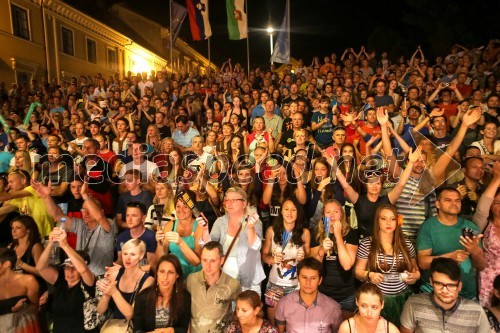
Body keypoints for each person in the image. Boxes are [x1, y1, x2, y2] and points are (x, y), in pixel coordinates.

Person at [32, 180, 117, 277]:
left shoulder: (109, 224)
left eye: (90, 210)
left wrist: (85, 195)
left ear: (101, 211)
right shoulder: (81, 224)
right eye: (83, 210)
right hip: (80, 275)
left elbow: (99, 217)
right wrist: (46, 197)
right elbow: (57, 216)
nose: (86, 213)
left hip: (101, 277)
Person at [355, 204, 420, 327]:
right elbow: (358, 271)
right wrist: (369, 275)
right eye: (383, 218)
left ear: (397, 221)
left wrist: (414, 276)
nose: (388, 223)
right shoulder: (367, 243)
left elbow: (416, 270)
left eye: (392, 219)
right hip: (376, 300)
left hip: (402, 297)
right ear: (377, 221)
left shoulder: (406, 244)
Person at [417, 186, 486, 300]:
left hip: (466, 293)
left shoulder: (470, 227)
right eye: (448, 200)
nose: (454, 203)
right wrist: (449, 257)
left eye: (457, 200)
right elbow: (423, 262)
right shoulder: (428, 227)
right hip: (435, 293)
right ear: (438, 204)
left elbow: (481, 266)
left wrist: (475, 252)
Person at [400, 257, 490, 333]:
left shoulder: (476, 312)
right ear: (431, 282)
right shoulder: (414, 304)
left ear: (459, 286)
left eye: (451, 285)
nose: (444, 290)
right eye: (439, 284)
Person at [36, 228, 97, 332]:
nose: (70, 271)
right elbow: (40, 267)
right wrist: (51, 243)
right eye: (67, 267)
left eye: (74, 268)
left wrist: (64, 245)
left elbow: (83, 269)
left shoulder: (88, 282)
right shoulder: (60, 280)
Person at [206, 187, 265, 294]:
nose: (229, 203)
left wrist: (250, 228)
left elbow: (255, 247)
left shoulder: (254, 221)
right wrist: (204, 230)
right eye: (227, 200)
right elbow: (210, 247)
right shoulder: (220, 222)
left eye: (234, 200)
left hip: (249, 281)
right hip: (226, 280)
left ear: (244, 203)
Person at [261, 198, 311, 324]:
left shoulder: (304, 233)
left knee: (293, 325)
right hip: (274, 284)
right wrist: (272, 259)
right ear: (281, 212)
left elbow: (309, 261)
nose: (290, 213)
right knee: (274, 325)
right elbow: (264, 255)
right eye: (286, 209)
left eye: (293, 210)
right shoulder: (271, 231)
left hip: (296, 286)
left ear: (298, 213)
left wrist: (303, 257)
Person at [311, 199, 359, 313]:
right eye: (328, 212)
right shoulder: (316, 233)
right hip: (323, 293)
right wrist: (321, 251)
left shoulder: (351, 233)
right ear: (323, 215)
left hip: (346, 295)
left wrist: (338, 236)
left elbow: (347, 265)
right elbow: (313, 267)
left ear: (341, 214)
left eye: (336, 212)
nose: (332, 215)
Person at [275, 257, 342, 333]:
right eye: (304, 277)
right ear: (298, 278)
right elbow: (280, 331)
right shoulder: (284, 303)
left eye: (313, 278)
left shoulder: (333, 308)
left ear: (320, 280)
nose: (308, 282)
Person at [187, 241, 241, 333]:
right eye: (204, 260)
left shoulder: (233, 284)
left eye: (212, 261)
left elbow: (241, 312)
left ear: (222, 260)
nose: (208, 266)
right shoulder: (191, 280)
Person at [97, 239, 154, 320]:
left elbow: (130, 314)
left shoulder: (148, 280)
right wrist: (106, 294)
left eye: (133, 254)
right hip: (115, 326)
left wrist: (114, 292)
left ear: (141, 256)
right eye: (125, 254)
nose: (128, 258)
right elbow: (100, 310)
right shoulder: (115, 274)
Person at [133, 254, 191, 333]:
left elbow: (183, 328)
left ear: (177, 275)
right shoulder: (142, 297)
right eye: (162, 271)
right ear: (157, 273)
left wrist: (171, 330)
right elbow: (137, 330)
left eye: (170, 272)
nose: (165, 277)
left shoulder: (185, 297)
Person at [0, 248, 41, 333]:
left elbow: (36, 307)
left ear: (7, 264)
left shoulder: (28, 281)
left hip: (24, 328)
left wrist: (23, 308)